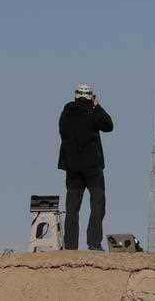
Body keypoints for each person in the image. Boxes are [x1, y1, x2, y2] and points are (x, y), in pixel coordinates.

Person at [58, 83, 114, 251]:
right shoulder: (93, 112)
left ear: (76, 95)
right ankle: (94, 243)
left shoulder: (67, 111)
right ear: (91, 96)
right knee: (97, 204)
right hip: (92, 168)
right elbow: (109, 125)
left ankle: (70, 246)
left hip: (72, 167)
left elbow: (63, 132)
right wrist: (98, 106)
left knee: (72, 208)